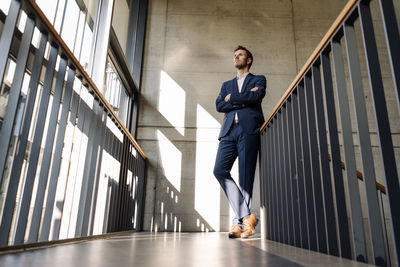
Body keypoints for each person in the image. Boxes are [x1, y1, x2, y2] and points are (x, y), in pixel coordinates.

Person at [213, 45, 266, 238]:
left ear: (248, 60)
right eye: (234, 55)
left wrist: (233, 99)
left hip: (249, 130)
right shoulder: (226, 84)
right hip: (228, 131)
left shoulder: (258, 79)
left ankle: (239, 223)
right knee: (219, 170)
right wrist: (244, 98)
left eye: (240, 55)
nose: (236, 57)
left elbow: (256, 96)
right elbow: (219, 105)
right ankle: (247, 217)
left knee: (246, 177)